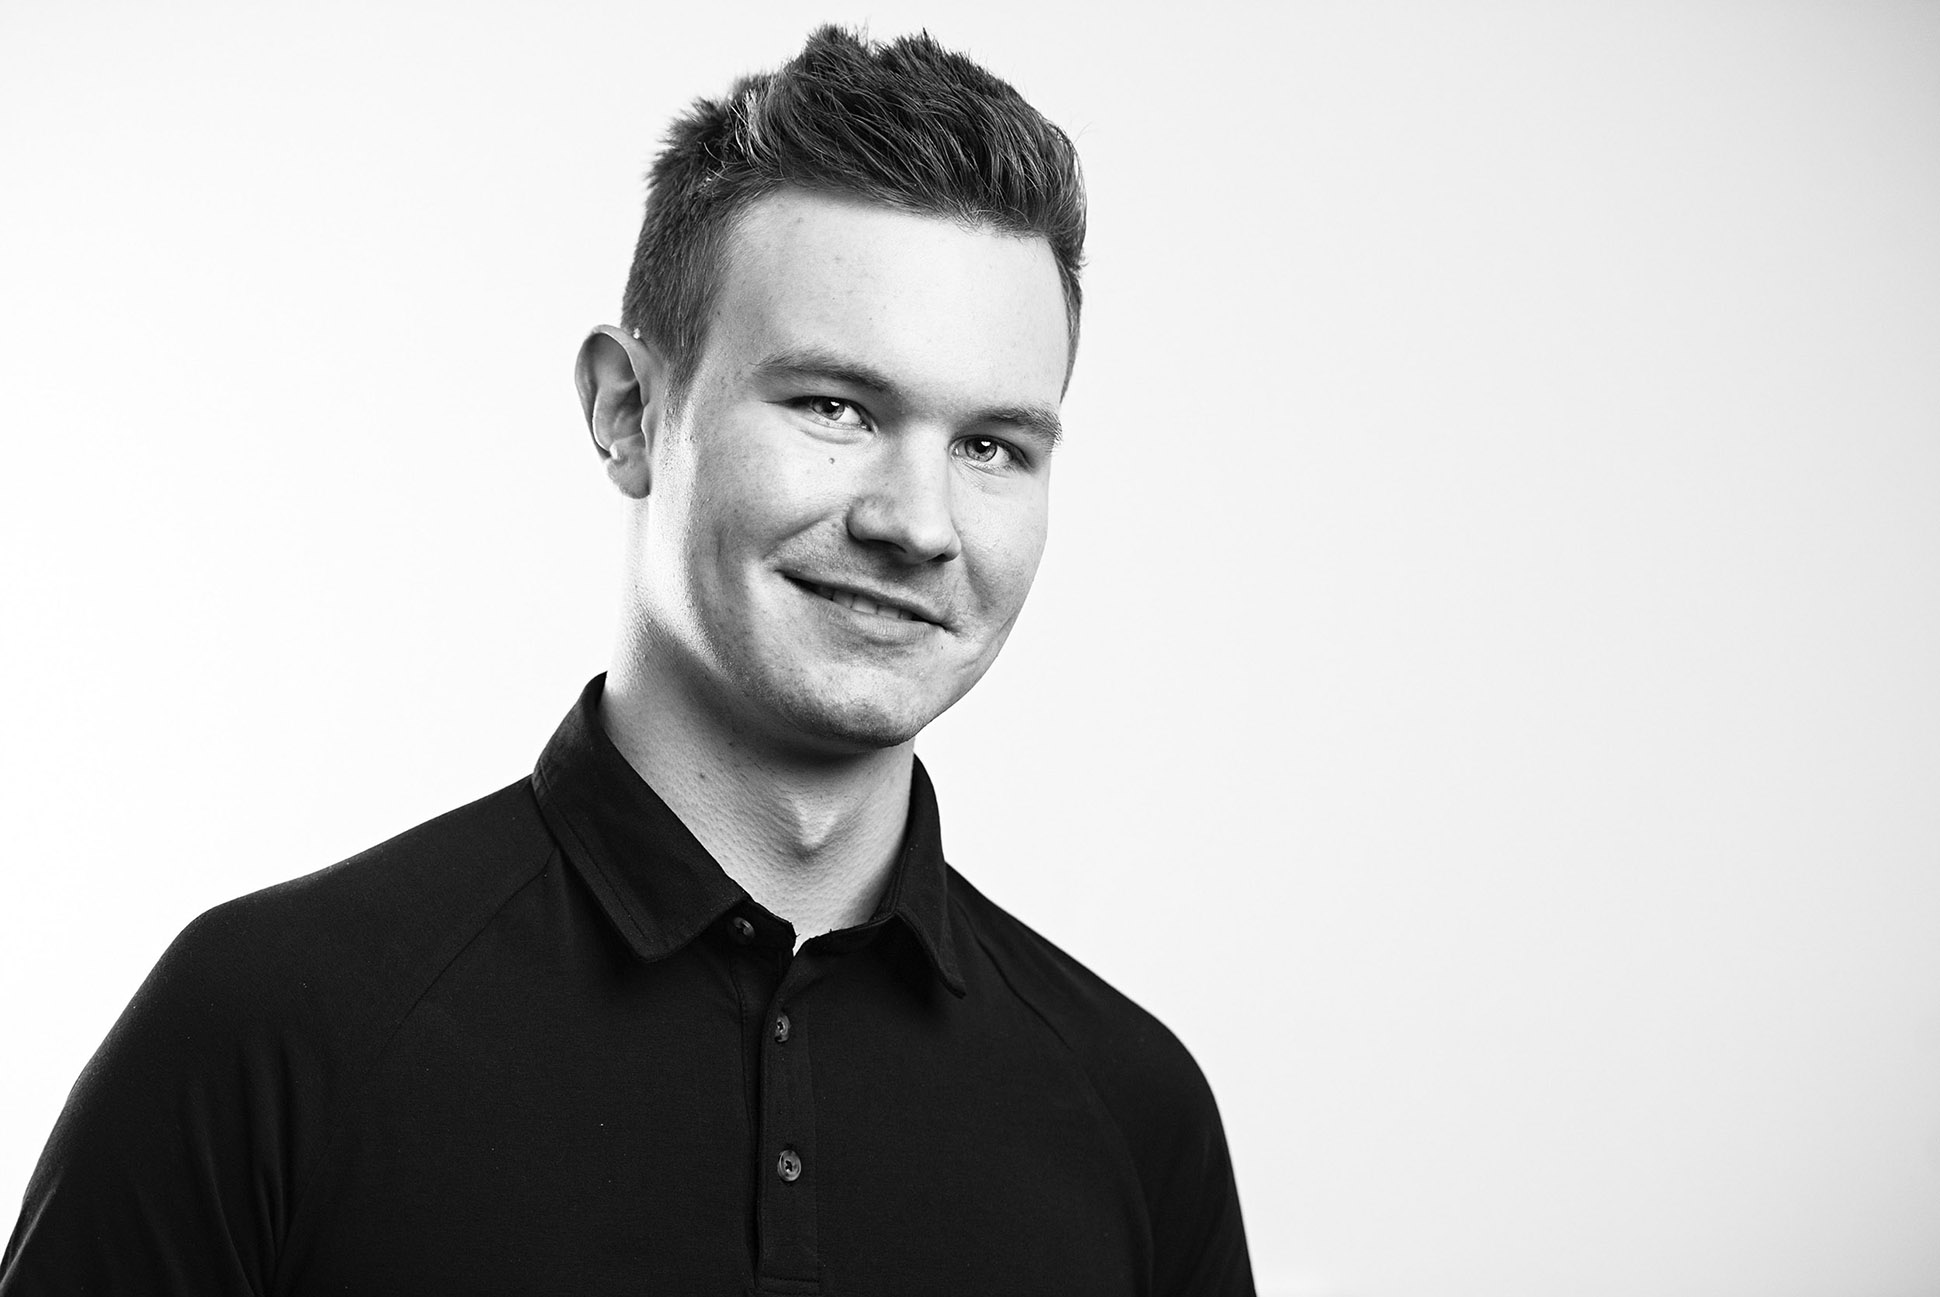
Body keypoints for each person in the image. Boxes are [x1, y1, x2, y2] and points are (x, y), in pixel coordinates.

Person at [0, 26, 1253, 1295]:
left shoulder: (1136, 1118)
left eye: (992, 445)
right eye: (835, 406)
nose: (916, 523)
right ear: (626, 411)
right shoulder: (267, 1032)